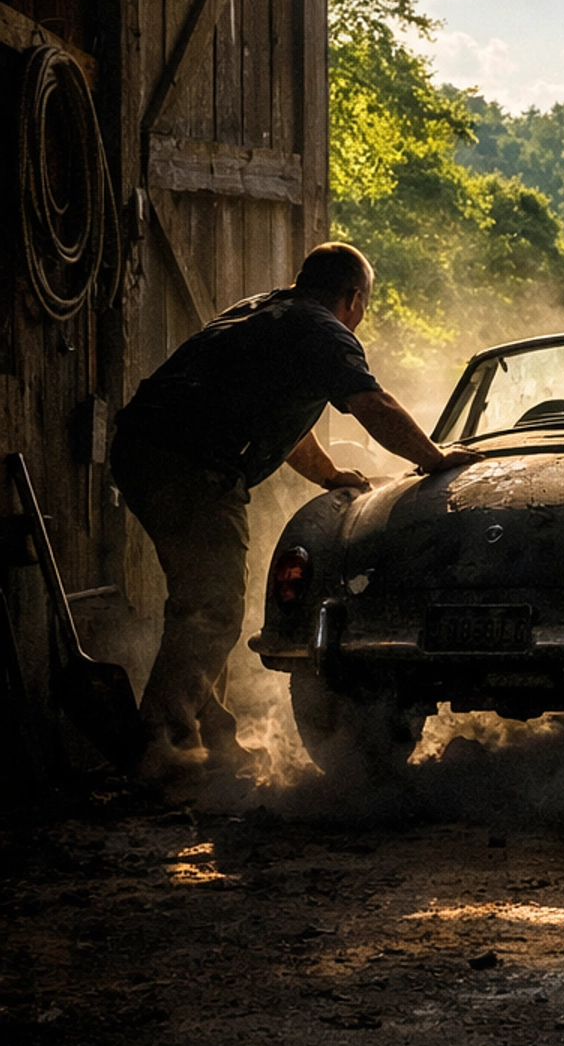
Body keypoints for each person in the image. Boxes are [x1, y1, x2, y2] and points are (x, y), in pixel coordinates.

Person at [111, 242, 474, 793]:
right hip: (188, 464)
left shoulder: (265, 312)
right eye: (364, 306)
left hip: (144, 451)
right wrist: (436, 459)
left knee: (204, 598)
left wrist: (330, 476)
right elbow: (373, 405)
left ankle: (213, 740)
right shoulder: (322, 330)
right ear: (353, 298)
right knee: (211, 606)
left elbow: (287, 422)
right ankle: (162, 748)